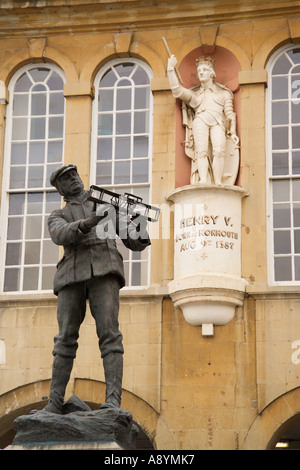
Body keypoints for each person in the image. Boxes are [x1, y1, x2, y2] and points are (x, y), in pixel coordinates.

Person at [44, 164, 150, 414]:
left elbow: (135, 242)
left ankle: (113, 400)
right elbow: (60, 235)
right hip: (71, 274)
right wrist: (89, 222)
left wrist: (138, 221)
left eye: (74, 175)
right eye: (66, 179)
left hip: (105, 270)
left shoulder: (104, 204)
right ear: (60, 188)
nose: (73, 180)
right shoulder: (57, 215)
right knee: (64, 340)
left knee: (110, 336)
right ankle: (54, 402)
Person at [167, 54, 239, 185]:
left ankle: (217, 181)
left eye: (204, 70)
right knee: (201, 151)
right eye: (199, 71)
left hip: (218, 122)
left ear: (212, 73)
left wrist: (233, 132)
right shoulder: (195, 94)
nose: (201, 73)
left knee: (219, 150)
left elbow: (229, 114)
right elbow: (177, 91)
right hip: (200, 120)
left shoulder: (224, 93)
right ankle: (204, 179)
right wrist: (170, 69)